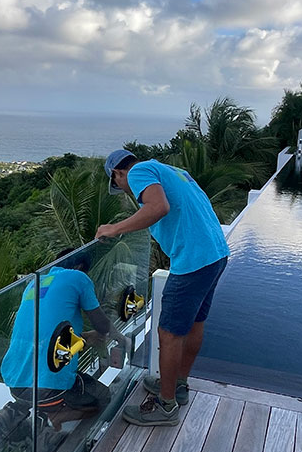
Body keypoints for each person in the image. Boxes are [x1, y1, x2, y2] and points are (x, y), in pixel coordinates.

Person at [95, 149, 229, 426]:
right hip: (215, 253)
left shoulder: (139, 172)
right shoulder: (175, 172)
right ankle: (178, 386)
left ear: (119, 174)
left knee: (168, 334)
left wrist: (114, 228)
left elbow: (158, 208)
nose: (126, 190)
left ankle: (165, 406)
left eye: (118, 184)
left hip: (192, 261)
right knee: (194, 324)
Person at [0, 248, 113, 432]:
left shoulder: (34, 284)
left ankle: (23, 409)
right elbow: (103, 326)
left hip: (15, 384)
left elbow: (45, 337)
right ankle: (54, 417)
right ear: (79, 266)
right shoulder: (78, 277)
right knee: (104, 397)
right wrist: (114, 337)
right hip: (49, 391)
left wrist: (84, 338)